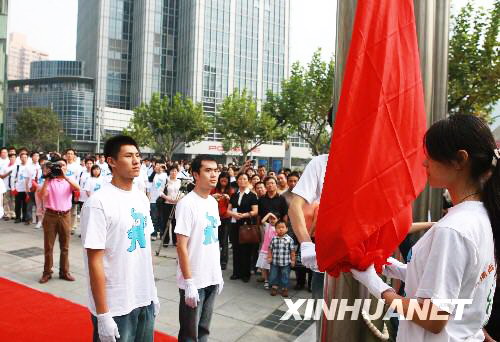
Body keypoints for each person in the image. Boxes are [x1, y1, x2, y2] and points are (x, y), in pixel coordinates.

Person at [351, 115, 499, 341]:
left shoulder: (453, 230)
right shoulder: (481, 216)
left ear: (460, 159)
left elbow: (432, 318)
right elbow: (451, 284)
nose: (424, 163)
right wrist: (389, 266)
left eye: (430, 155)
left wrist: (376, 285)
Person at [80, 135, 160, 342]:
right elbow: (94, 260)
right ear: (111, 161)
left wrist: (153, 293)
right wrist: (103, 314)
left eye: (137, 156)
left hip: (144, 298)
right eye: (128, 156)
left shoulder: (141, 198)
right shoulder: (98, 203)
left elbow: (145, 249)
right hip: (116, 304)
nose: (136, 161)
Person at [174, 155, 223, 342]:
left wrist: (217, 274)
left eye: (215, 170)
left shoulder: (213, 202)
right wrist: (188, 282)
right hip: (194, 279)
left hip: (211, 276)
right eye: (208, 170)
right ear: (195, 174)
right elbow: (181, 246)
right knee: (189, 335)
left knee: (204, 331)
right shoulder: (187, 204)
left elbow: (214, 241)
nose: (214, 174)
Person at [38, 158, 80, 283]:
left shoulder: (69, 181)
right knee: (48, 246)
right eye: (58, 166)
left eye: (63, 166)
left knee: (65, 246)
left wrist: (65, 176)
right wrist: (47, 178)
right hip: (50, 215)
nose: (60, 168)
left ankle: (64, 272)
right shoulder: (50, 181)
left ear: (66, 168)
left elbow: (77, 188)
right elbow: (42, 195)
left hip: (65, 215)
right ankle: (47, 272)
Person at [227, 173, 259, 282]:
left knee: (246, 250)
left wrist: (244, 215)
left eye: (244, 179)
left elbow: (255, 211)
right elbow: (228, 210)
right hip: (235, 224)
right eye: (240, 179)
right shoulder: (234, 195)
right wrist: (234, 214)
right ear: (237, 181)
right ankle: (236, 272)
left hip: (246, 225)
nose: (242, 181)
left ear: (248, 181)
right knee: (236, 249)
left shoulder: (252, 195)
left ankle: (246, 274)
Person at [210, 171, 233, 270]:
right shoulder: (214, 189)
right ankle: (213, 259)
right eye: (222, 177)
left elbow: (234, 205)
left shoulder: (231, 191)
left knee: (224, 241)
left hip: (226, 218)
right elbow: (206, 199)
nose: (224, 179)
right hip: (214, 218)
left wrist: (229, 199)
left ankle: (223, 261)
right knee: (214, 240)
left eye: (226, 178)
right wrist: (213, 197)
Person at [267, 220, 295, 297]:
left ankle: (284, 288)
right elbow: (270, 248)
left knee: (285, 275)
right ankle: (274, 287)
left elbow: (292, 251)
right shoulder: (274, 239)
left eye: (283, 227)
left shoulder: (289, 239)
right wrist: (269, 257)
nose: (281, 229)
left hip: (286, 262)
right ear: (275, 229)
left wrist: (293, 260)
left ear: (287, 229)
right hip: (275, 262)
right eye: (278, 228)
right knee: (273, 274)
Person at [158, 164, 182, 247]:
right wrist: (167, 198)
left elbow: (182, 192)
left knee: (175, 223)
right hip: (167, 204)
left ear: (177, 172)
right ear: (170, 172)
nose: (174, 172)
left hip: (177, 205)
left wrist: (179, 198)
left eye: (175, 171)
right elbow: (160, 192)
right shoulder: (165, 180)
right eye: (172, 171)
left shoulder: (180, 181)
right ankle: (165, 241)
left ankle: (175, 241)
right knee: (166, 223)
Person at [256, 212, 279, 290]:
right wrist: (269, 214)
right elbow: (262, 221)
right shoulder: (267, 226)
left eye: (274, 218)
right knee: (264, 267)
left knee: (272, 267)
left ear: (278, 219)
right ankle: (266, 280)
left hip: (274, 251)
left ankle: (272, 281)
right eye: (270, 219)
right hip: (265, 250)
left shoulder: (279, 227)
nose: (272, 220)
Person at [12, 151, 33, 224]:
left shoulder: (30, 167)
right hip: (18, 189)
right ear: (20, 158)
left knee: (25, 204)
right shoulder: (17, 167)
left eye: (25, 157)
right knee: (17, 204)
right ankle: (18, 217)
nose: (24, 159)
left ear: (27, 158)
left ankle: (24, 217)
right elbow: (12, 177)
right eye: (22, 157)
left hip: (27, 189)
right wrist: (13, 188)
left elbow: (31, 177)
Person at [149, 163, 167, 241]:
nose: (159, 167)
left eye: (160, 166)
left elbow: (171, 174)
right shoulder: (154, 174)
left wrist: (165, 166)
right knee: (154, 218)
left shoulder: (165, 175)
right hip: (153, 199)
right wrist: (154, 171)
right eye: (157, 166)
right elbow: (149, 179)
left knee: (162, 218)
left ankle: (162, 234)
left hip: (162, 198)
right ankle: (154, 233)